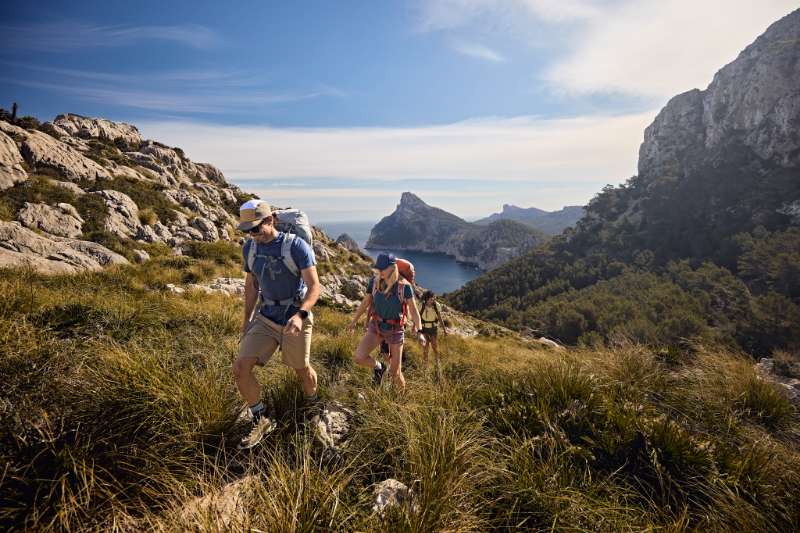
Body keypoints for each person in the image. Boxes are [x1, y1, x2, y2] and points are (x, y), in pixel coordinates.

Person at [233, 199, 321, 449]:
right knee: (241, 368)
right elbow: (251, 286)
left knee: (301, 369)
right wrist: (247, 320)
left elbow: (314, 287)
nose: (252, 235)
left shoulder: (296, 246)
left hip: (295, 315)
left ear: (270, 220)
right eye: (247, 230)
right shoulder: (250, 249)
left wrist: (300, 315)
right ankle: (261, 418)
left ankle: (313, 406)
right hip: (266, 316)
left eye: (256, 228)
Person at [346, 253, 424, 390]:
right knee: (359, 357)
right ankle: (379, 367)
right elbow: (365, 303)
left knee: (395, 373)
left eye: (383, 269)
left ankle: (402, 398)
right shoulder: (375, 282)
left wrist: (420, 331)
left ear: (392, 268)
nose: (379, 272)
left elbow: (414, 311)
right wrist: (354, 322)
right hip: (376, 326)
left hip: (395, 330)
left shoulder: (404, 287)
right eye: (378, 269)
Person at [419, 290, 448, 375]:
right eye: (431, 299)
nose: (433, 300)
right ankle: (425, 366)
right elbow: (418, 317)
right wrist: (417, 329)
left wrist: (444, 330)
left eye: (434, 299)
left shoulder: (436, 306)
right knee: (426, 348)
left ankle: (437, 364)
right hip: (424, 329)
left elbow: (440, 318)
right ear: (427, 299)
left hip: (433, 329)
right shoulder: (422, 306)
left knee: (435, 347)